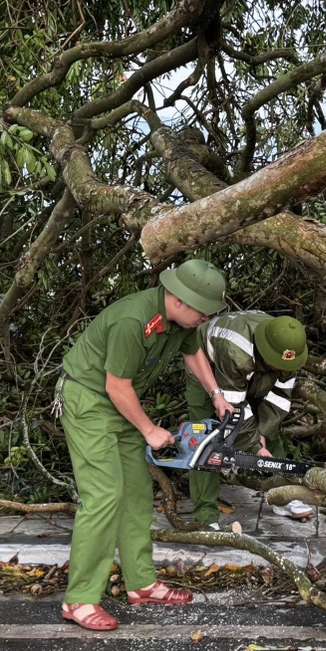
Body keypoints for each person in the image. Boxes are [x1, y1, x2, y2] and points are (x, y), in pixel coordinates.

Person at [55, 259, 234, 631]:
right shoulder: (132, 321)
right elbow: (115, 387)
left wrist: (216, 393)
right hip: (89, 401)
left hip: (121, 403)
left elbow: (194, 351)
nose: (205, 320)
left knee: (136, 494)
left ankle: (142, 583)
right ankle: (80, 599)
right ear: (180, 300)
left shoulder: (182, 321)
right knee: (104, 496)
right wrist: (150, 430)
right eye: (203, 313)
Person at [185, 312, 313, 528]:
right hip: (208, 367)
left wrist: (262, 433)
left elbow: (280, 399)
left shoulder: (288, 354)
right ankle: (205, 514)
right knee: (207, 440)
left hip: (250, 368)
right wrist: (254, 446)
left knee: (268, 427)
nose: (280, 369)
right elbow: (233, 407)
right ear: (265, 350)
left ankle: (282, 496)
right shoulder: (235, 350)